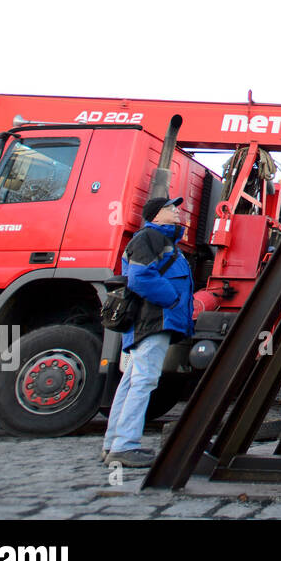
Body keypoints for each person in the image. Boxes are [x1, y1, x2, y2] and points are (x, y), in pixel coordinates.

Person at [102, 195, 194, 468]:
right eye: (169, 208)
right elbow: (140, 277)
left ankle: (113, 444)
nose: (176, 212)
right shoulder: (150, 238)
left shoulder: (161, 240)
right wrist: (172, 300)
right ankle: (125, 446)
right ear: (155, 215)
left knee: (132, 381)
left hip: (149, 322)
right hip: (153, 321)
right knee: (144, 381)